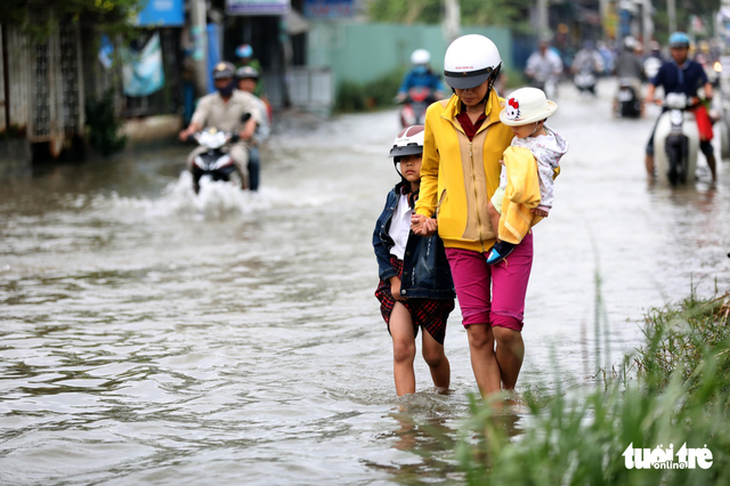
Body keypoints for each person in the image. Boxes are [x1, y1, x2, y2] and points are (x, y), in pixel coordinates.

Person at [410, 34, 530, 403]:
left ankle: (506, 394)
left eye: (474, 84)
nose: (466, 92)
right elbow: (430, 171)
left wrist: (533, 196)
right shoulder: (435, 115)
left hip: (508, 235)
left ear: (492, 76)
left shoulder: (513, 112)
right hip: (458, 239)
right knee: (478, 334)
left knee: (506, 329)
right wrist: (425, 211)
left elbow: (541, 158)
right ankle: (498, 414)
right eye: (458, 86)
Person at [373, 125, 455, 397]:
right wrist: (392, 278)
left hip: (431, 282)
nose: (409, 163)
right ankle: (405, 415)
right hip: (397, 279)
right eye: (403, 158)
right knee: (402, 349)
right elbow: (379, 240)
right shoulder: (393, 197)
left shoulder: (445, 197)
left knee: (432, 355)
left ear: (432, 158)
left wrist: (437, 223)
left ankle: (443, 399)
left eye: (417, 156)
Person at [486, 87, 569, 265]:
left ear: (539, 122)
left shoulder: (543, 148)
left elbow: (546, 175)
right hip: (512, 182)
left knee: (492, 208)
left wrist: (545, 203)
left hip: (523, 189)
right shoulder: (525, 135)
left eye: (519, 124)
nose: (513, 128)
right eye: (512, 124)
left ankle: (503, 244)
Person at [644, 32, 717, 182]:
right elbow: (653, 84)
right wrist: (650, 95)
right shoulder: (665, 68)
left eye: (681, 48)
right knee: (650, 146)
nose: (678, 52)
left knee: (706, 146)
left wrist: (708, 93)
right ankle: (650, 180)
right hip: (668, 111)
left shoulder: (696, 67)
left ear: (687, 50)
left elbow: (706, 83)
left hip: (691, 111)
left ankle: (714, 178)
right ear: (671, 50)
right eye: (675, 49)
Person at [179, 61, 262, 189]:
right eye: (219, 80)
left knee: (238, 160)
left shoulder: (246, 99)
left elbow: (252, 118)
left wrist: (246, 133)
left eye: (226, 80)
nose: (223, 83)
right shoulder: (206, 102)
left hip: (236, 144)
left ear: (233, 80)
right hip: (210, 145)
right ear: (214, 82)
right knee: (192, 159)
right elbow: (197, 122)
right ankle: (194, 190)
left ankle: (245, 190)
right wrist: (189, 132)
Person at [236, 66, 270, 192]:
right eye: (245, 81)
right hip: (228, 140)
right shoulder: (232, 101)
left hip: (248, 143)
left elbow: (265, 130)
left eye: (251, 82)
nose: (248, 85)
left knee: (254, 160)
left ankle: (253, 191)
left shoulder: (259, 105)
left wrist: (256, 140)